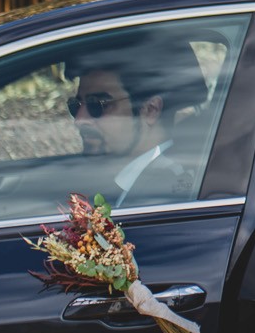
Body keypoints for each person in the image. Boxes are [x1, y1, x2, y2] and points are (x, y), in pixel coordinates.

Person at [65, 37, 207, 206]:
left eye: (97, 105)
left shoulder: (166, 194)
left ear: (150, 110)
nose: (80, 120)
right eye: (75, 106)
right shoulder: (132, 180)